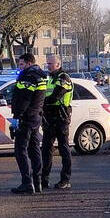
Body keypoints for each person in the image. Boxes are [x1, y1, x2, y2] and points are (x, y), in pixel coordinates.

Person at [10, 53, 47, 195]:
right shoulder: (40, 76)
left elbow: (24, 98)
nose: (19, 68)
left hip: (26, 118)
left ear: (29, 63)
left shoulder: (29, 77)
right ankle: (37, 183)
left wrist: (17, 116)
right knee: (34, 149)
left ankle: (27, 182)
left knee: (20, 150)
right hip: (36, 116)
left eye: (21, 64)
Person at [41, 54, 73, 190]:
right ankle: (44, 179)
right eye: (47, 63)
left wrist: (40, 102)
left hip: (61, 117)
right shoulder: (49, 78)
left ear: (58, 64)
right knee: (46, 150)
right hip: (49, 117)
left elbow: (56, 96)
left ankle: (65, 179)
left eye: (50, 64)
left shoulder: (63, 78)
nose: (48, 66)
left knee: (64, 148)